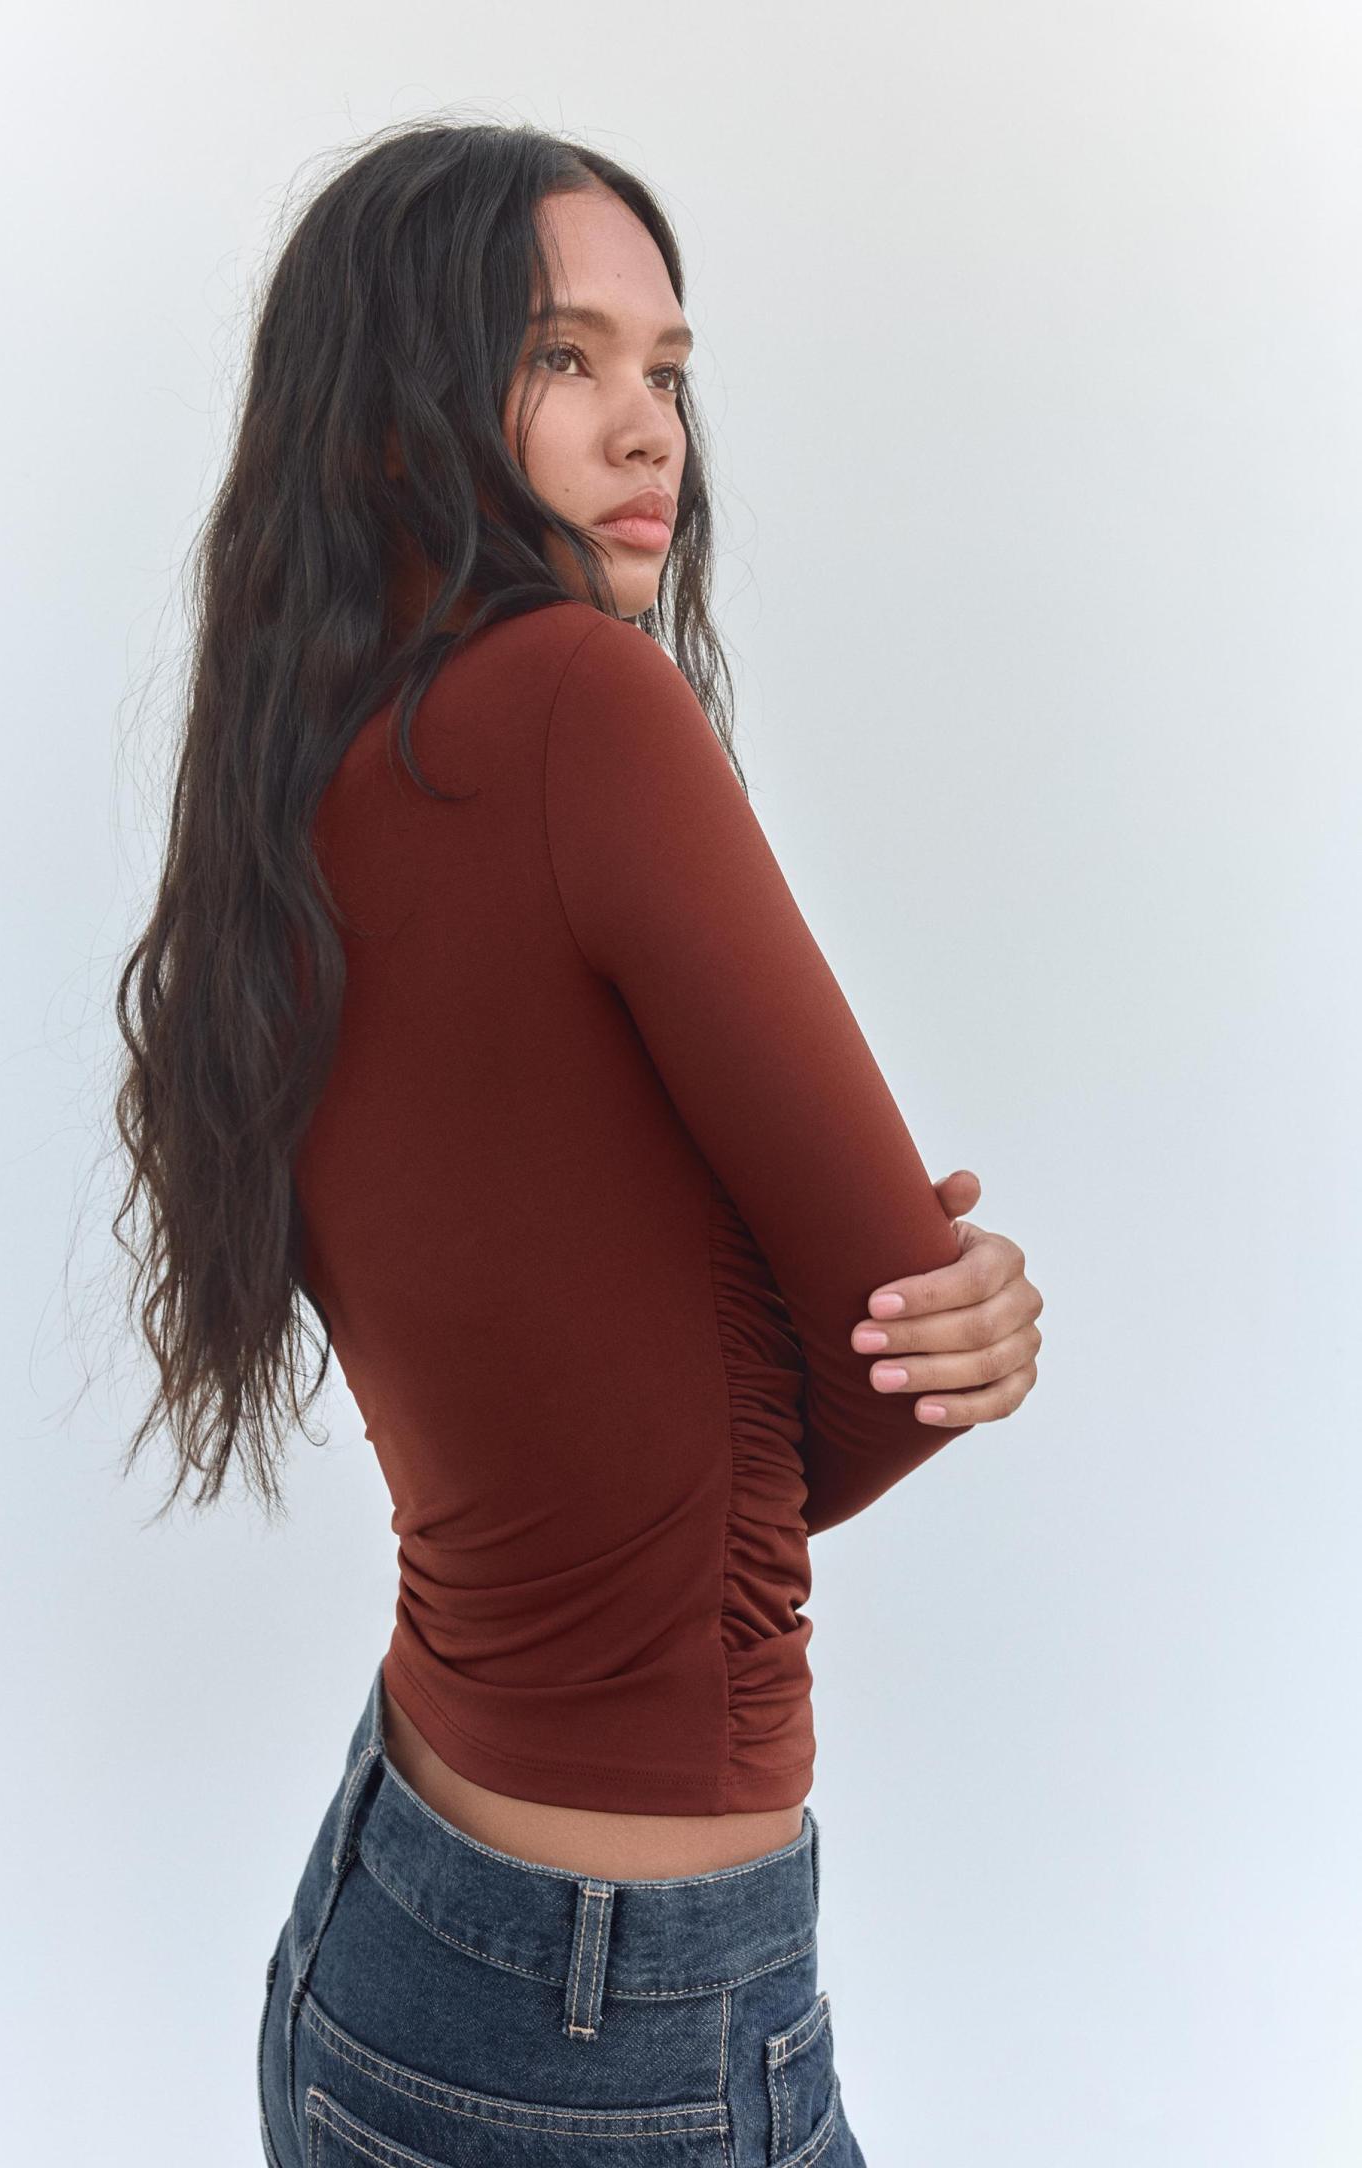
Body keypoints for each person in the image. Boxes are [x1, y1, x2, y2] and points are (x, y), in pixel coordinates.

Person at [111, 117, 1042, 2168]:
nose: (648, 428)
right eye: (560, 357)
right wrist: (948, 1329)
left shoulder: (303, 773)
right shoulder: (579, 710)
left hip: (394, 1925)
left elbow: (594, 1423)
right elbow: (877, 1376)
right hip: (605, 2020)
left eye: (667, 368)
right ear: (396, 411)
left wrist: (745, 1370)